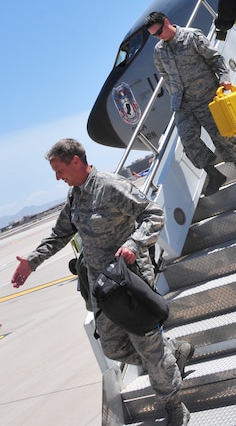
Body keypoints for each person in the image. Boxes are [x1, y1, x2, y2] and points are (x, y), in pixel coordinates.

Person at [11, 139, 191, 426]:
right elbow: (59, 235)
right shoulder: (75, 197)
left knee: (147, 347)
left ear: (76, 161)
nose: (58, 177)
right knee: (113, 348)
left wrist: (134, 243)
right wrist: (31, 261)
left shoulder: (110, 186)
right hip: (103, 291)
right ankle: (173, 352)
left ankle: (174, 406)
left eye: (60, 170)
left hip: (129, 282)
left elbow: (153, 214)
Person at [145, 12, 236, 194]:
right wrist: (175, 96)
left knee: (221, 134)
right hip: (182, 103)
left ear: (167, 22)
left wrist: (224, 78)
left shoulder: (191, 36)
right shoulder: (159, 51)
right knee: (189, 141)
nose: (159, 36)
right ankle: (214, 174)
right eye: (154, 35)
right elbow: (166, 76)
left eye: (160, 31)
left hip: (206, 95)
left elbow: (214, 58)